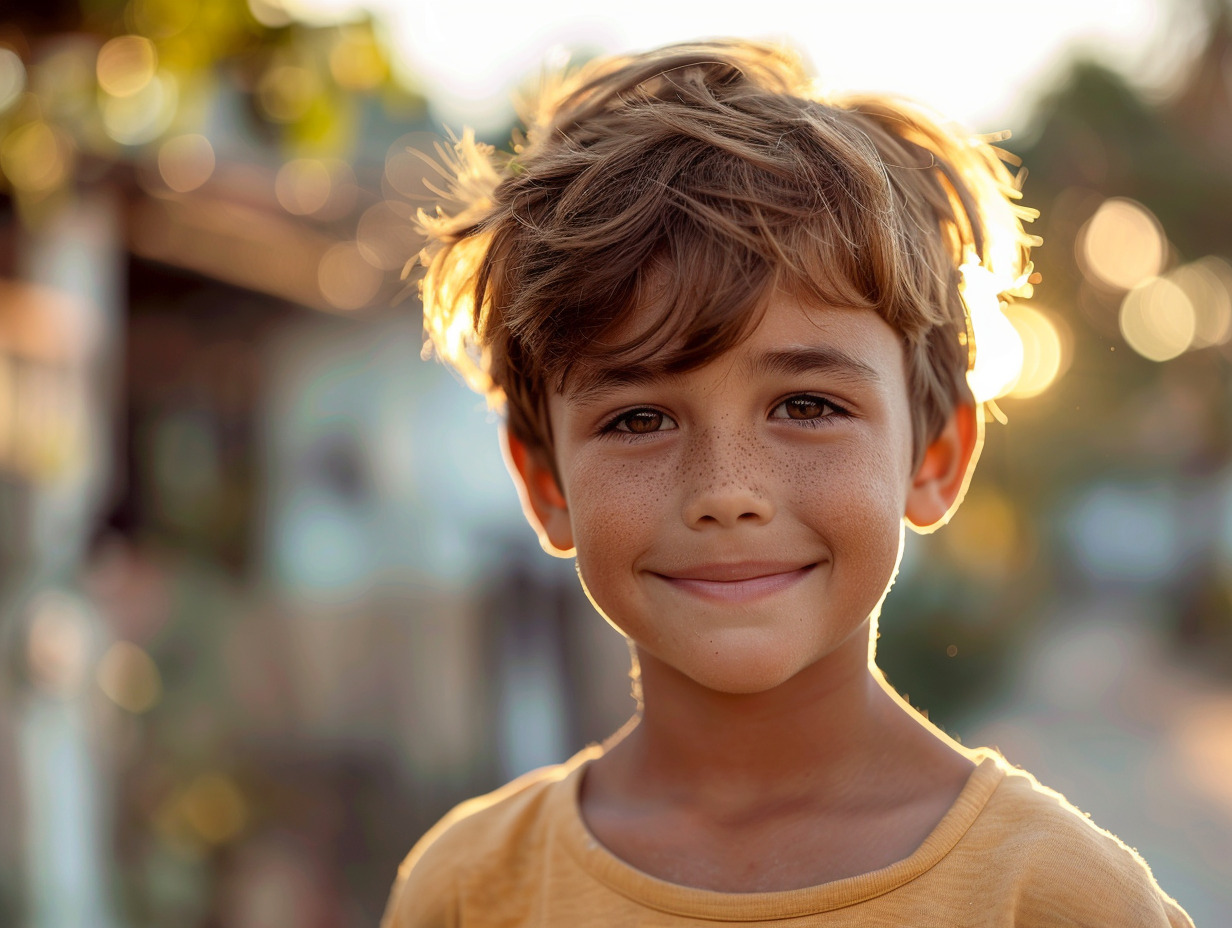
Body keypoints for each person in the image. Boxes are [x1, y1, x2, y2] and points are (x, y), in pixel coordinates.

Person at [382, 39, 1193, 926]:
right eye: (640, 419)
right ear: (545, 482)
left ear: (936, 456)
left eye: (806, 405)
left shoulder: (1055, 899)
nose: (727, 491)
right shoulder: (471, 889)